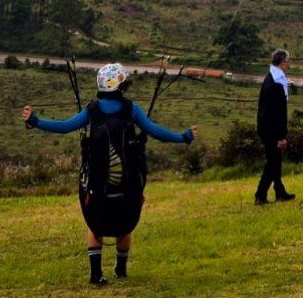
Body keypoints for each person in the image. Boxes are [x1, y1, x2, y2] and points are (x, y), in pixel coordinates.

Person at [24, 62, 197, 286]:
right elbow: (156, 132)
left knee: (95, 225)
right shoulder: (131, 110)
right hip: (127, 183)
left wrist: (35, 121)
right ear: (119, 86)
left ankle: (96, 274)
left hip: (97, 183)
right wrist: (183, 137)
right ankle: (121, 269)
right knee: (125, 225)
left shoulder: (92, 111)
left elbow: (65, 126)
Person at [255, 48, 295, 205]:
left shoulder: (272, 77)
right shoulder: (277, 82)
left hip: (266, 126)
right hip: (271, 129)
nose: (289, 64)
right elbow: (279, 113)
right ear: (282, 62)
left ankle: (280, 191)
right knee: (273, 162)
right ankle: (260, 194)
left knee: (275, 160)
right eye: (288, 61)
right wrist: (281, 136)